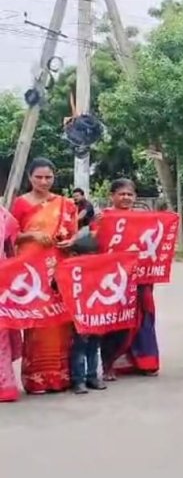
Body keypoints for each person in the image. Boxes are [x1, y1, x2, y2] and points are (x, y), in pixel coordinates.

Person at [10, 157, 78, 394]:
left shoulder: (65, 204)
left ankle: (60, 376)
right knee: (36, 321)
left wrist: (71, 241)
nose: (44, 181)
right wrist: (31, 236)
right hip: (31, 273)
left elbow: (73, 234)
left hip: (58, 268)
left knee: (59, 322)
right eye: (38, 177)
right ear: (29, 177)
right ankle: (36, 379)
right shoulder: (20, 204)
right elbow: (9, 237)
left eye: (48, 177)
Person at [98, 179, 161, 380]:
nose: (126, 198)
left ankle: (145, 361)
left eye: (129, 194)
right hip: (114, 278)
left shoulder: (142, 219)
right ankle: (111, 364)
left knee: (143, 317)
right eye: (121, 194)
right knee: (114, 319)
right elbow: (94, 245)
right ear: (112, 196)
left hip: (140, 277)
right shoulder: (103, 218)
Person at [0, 205, 22, 402]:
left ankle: (4, 385)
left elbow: (11, 250)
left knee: (1, 335)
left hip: (1, 282)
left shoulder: (4, 216)